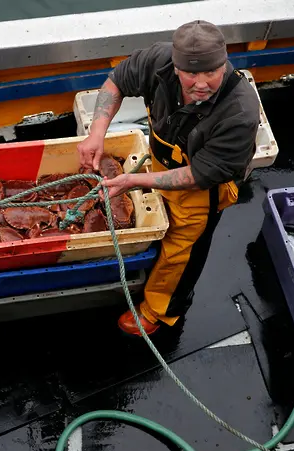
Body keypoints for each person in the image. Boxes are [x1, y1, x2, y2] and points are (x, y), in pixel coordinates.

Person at [77, 20, 260, 336]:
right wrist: (96, 134)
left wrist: (133, 181)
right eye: (190, 73)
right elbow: (116, 82)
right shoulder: (156, 61)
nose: (200, 83)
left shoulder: (239, 112)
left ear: (224, 63)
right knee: (158, 223)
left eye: (210, 72)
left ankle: (160, 311)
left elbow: (199, 174)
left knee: (181, 251)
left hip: (203, 187)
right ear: (175, 66)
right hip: (162, 164)